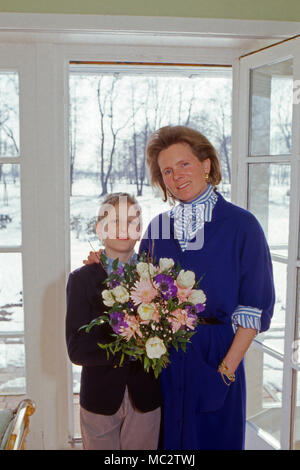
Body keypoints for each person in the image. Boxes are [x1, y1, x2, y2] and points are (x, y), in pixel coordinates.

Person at [84, 125, 275, 450]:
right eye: (167, 170)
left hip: (216, 355)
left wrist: (226, 369)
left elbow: (253, 308)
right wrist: (107, 267)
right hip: (163, 360)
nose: (176, 176)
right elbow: (139, 285)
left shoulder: (242, 226)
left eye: (184, 164)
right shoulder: (159, 226)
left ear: (206, 165)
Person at [66, 193, 162, 450]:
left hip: (146, 396)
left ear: (140, 230)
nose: (124, 228)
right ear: (100, 229)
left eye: (132, 221)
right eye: (115, 220)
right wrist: (127, 347)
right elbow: (76, 349)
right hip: (100, 398)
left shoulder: (156, 278)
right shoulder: (81, 280)